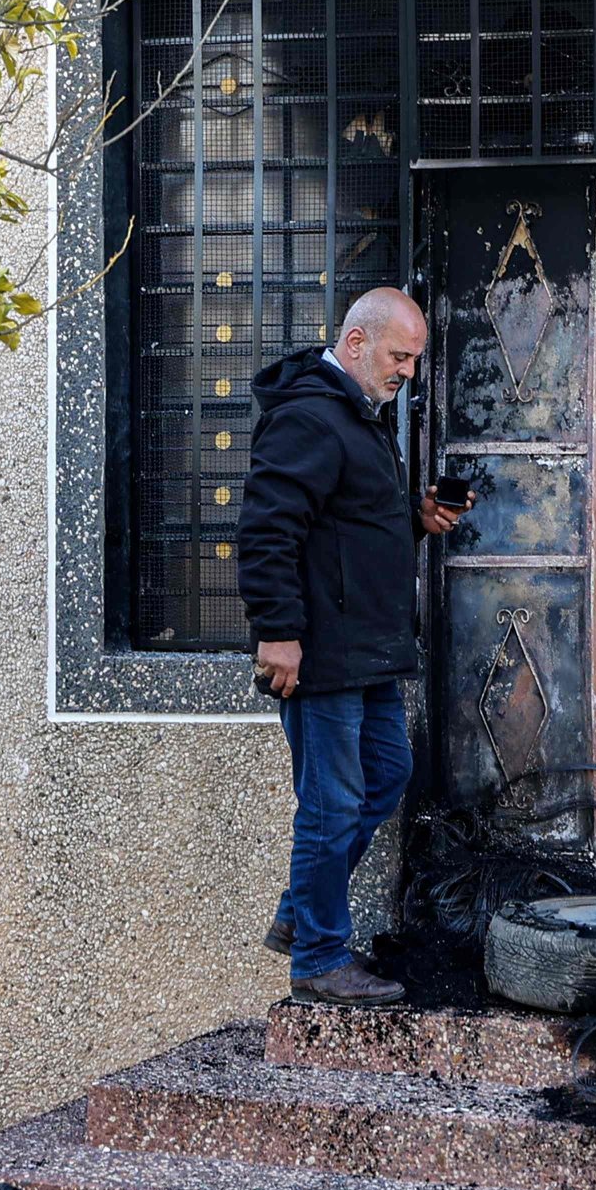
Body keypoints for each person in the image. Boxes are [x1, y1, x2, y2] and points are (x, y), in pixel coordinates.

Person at [236, 288, 466, 1006]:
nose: (407, 372)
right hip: (323, 655)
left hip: (366, 651)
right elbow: (267, 531)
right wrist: (279, 632)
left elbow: (347, 529)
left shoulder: (358, 420)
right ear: (358, 342)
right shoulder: (309, 417)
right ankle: (319, 959)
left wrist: (416, 521)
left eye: (414, 360)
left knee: (386, 775)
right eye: (400, 356)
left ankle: (304, 910)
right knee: (331, 806)